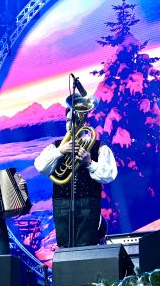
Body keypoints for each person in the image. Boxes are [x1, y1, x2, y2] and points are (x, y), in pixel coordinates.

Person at [34, 94, 118, 248]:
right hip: (61, 203)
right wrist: (60, 151)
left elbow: (109, 175)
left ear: (84, 121)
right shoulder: (56, 146)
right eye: (68, 121)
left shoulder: (99, 146)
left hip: (88, 202)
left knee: (87, 247)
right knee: (64, 247)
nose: (71, 124)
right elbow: (40, 166)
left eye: (75, 120)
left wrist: (89, 162)